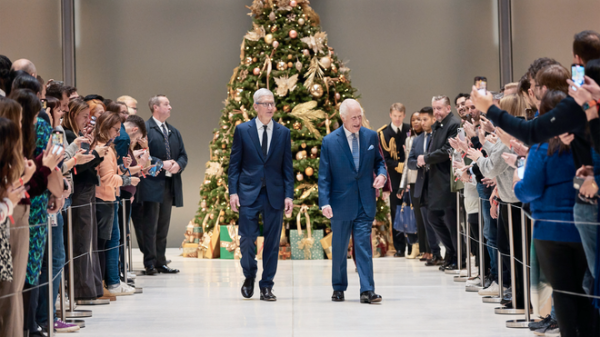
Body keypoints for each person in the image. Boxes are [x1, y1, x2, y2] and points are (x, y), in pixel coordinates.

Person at [514, 90, 599, 336]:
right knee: (587, 290)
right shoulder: (588, 143)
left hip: (550, 231)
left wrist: (516, 181)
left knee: (562, 293)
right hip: (585, 227)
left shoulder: (542, 148)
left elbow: (528, 190)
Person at [318, 98, 387, 304]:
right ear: (343, 118)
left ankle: (367, 289)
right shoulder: (329, 142)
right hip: (340, 203)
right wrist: (325, 202)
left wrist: (382, 175)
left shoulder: (371, 136)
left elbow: (380, 162)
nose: (358, 121)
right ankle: (338, 288)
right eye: (354, 118)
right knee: (339, 249)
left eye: (360, 116)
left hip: (364, 201)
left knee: (363, 247)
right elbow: (324, 176)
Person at [228, 89, 293, 301]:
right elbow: (235, 164)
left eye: (272, 103)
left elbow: (287, 167)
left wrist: (289, 195)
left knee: (273, 242)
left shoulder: (283, 132)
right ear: (255, 107)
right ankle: (249, 275)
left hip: (274, 193)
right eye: (264, 103)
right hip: (248, 192)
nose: (269, 107)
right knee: (247, 239)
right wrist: (233, 192)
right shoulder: (242, 131)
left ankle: (267, 285)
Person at [133, 95, 187, 275]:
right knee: (150, 224)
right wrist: (161, 163)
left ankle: (161, 261)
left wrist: (178, 164)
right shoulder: (146, 129)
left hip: (169, 183)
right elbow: (139, 152)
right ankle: (149, 262)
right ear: (155, 107)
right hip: (151, 183)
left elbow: (183, 155)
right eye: (166, 104)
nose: (170, 107)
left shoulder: (174, 131)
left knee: (163, 224)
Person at [417, 96, 461, 271]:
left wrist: (426, 158)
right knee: (433, 217)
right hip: (436, 180)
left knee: (451, 221)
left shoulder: (453, 124)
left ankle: (458, 256)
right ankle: (450, 252)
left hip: (447, 180)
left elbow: (448, 151)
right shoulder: (438, 126)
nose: (436, 112)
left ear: (448, 108)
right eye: (434, 108)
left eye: (439, 108)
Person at [407, 107, 443, 266]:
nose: (421, 122)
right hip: (422, 185)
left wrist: (427, 159)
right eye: (420, 119)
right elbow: (410, 161)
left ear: (433, 119)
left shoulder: (438, 136)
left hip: (437, 183)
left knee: (440, 220)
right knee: (427, 221)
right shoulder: (417, 139)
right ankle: (434, 253)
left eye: (424, 119)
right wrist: (419, 163)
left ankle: (450, 253)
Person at [377, 102, 410, 257]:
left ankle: (413, 245)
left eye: (400, 116)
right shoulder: (383, 133)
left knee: (412, 211)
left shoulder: (410, 130)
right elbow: (384, 159)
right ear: (390, 115)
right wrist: (400, 166)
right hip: (395, 179)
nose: (397, 119)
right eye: (395, 116)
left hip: (410, 178)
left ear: (404, 115)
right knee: (397, 212)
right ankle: (399, 247)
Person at [399, 111, 427, 260]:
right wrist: (403, 185)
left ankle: (430, 248)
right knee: (417, 217)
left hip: (426, 181)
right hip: (413, 182)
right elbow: (406, 164)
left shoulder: (429, 137)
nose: (416, 122)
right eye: (413, 120)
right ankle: (421, 248)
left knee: (427, 217)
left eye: (419, 119)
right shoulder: (410, 140)